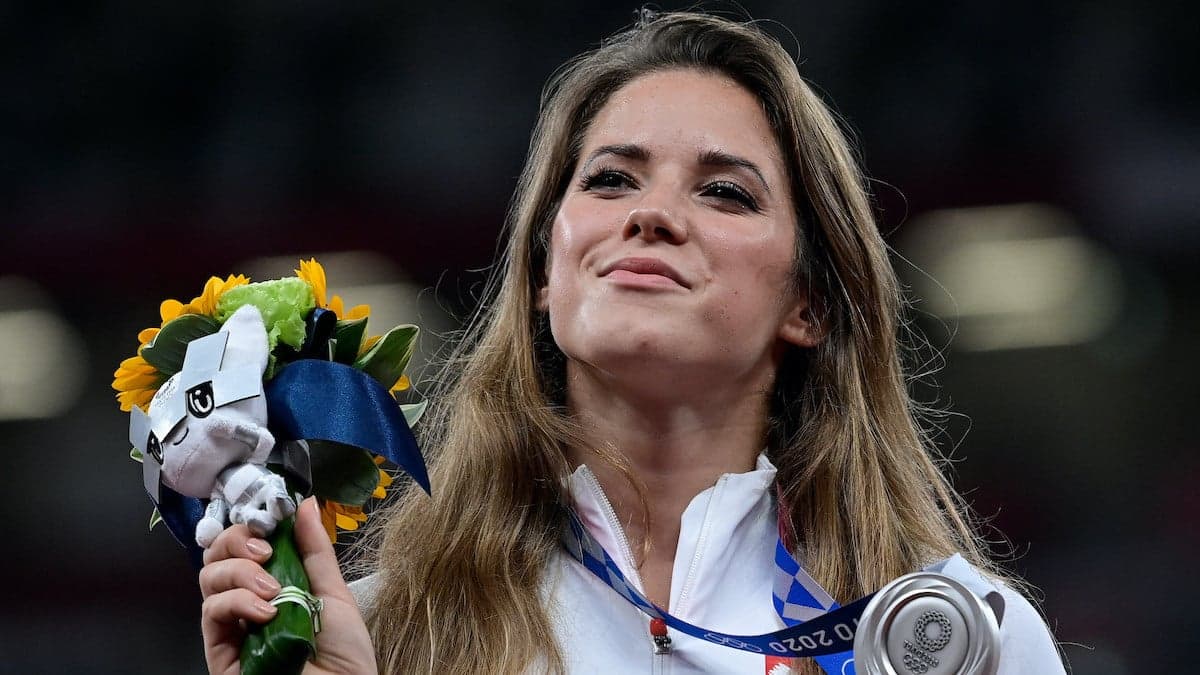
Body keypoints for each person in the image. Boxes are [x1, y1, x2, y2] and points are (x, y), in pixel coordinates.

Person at [198, 10, 1065, 674]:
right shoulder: (383, 632)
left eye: (725, 192)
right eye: (611, 179)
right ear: (546, 274)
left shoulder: (952, 640)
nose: (652, 213)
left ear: (809, 302)